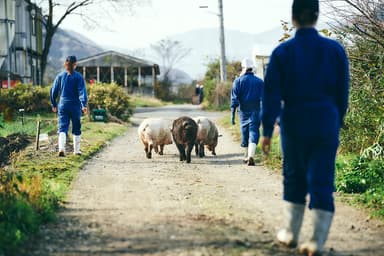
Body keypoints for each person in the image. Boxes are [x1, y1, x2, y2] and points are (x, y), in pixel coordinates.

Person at [261, 0, 350, 255]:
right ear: (317, 16)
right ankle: (316, 242)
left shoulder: (282, 53)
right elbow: (342, 95)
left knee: (294, 176)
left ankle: (289, 233)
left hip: (295, 123)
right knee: (322, 179)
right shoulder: (335, 50)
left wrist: (267, 131)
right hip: (326, 122)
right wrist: (337, 124)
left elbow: (271, 95)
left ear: (293, 18)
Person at [50, 55, 88, 157]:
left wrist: (53, 104)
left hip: (63, 105)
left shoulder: (60, 76)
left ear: (65, 64)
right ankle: (76, 151)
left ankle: (62, 149)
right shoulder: (78, 77)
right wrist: (84, 104)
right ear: (75, 64)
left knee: (62, 127)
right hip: (75, 106)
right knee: (76, 127)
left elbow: (53, 91)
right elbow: (82, 91)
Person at [230, 58, 264, 166]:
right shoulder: (260, 82)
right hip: (256, 110)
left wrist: (232, 114)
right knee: (254, 131)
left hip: (243, 111)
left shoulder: (238, 81)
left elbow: (234, 99)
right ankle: (251, 156)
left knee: (244, 132)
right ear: (252, 68)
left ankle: (246, 156)